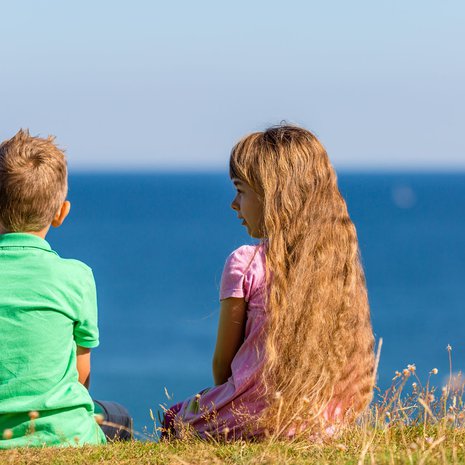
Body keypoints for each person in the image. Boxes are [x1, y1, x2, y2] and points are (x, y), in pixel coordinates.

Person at [163, 124, 375, 440]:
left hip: (249, 422)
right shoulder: (337, 266)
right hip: (322, 426)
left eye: (240, 190)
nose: (234, 203)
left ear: (273, 194)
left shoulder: (246, 262)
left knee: (174, 418)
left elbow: (223, 367)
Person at [0, 130, 131, 448]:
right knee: (120, 417)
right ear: (61, 212)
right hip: (67, 436)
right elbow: (81, 376)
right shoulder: (76, 277)